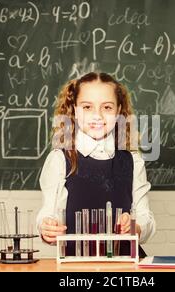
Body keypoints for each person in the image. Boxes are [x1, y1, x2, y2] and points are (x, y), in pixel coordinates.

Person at [36, 72, 155, 257]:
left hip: (126, 266)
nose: (97, 116)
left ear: (118, 111)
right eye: (87, 107)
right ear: (74, 109)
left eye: (107, 107)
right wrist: (47, 228)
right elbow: (48, 213)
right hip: (76, 266)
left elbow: (145, 217)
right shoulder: (59, 159)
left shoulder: (133, 161)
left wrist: (134, 227)